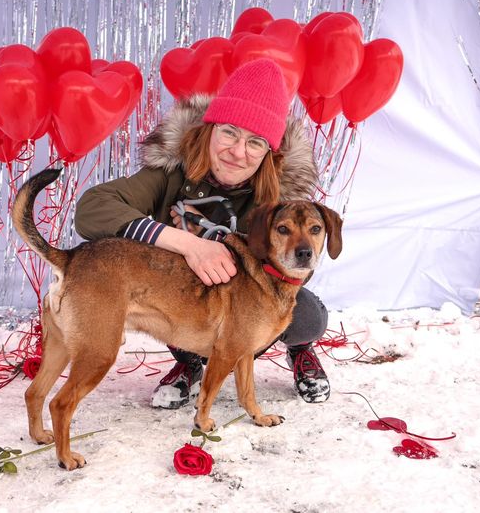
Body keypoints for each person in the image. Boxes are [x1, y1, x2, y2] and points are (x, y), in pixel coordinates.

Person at [74, 58, 330, 409]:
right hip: (188, 305)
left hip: (250, 306)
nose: (238, 152)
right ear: (210, 129)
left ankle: (300, 352)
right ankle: (189, 364)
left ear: (269, 152)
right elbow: (93, 207)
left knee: (306, 315)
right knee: (178, 303)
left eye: (255, 142)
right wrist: (186, 243)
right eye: (229, 132)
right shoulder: (169, 175)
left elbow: (301, 252)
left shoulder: (278, 198)